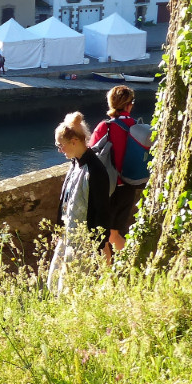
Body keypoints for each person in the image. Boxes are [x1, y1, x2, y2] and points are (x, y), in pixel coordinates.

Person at [48, 112, 111, 292]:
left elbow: (102, 211)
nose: (60, 150)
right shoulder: (75, 163)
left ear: (74, 141)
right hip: (69, 235)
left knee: (71, 289)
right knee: (55, 283)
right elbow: (66, 201)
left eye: (61, 145)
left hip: (83, 240)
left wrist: (100, 245)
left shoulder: (95, 170)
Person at [90, 85, 141, 254]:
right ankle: (129, 265)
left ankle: (110, 273)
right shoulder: (137, 126)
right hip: (129, 186)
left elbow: (92, 156)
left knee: (102, 235)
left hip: (108, 188)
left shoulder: (105, 127)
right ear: (129, 105)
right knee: (114, 233)